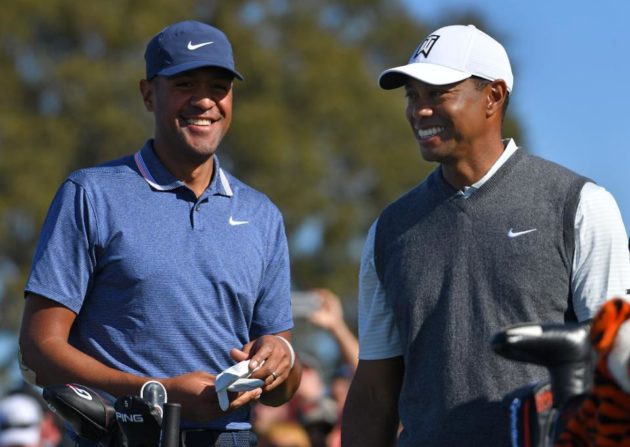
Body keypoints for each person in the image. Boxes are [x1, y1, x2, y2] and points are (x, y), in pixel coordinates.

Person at [341, 24, 630, 446]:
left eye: (437, 94)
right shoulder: (389, 229)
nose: (420, 110)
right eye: (413, 96)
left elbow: (616, 362)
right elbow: (373, 391)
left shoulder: (580, 204)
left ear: (493, 96)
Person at [19, 20, 301, 446]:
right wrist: (158, 393)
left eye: (219, 87)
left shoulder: (262, 215)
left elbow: (283, 389)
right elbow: (38, 349)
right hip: (123, 436)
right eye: (185, 84)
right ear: (148, 94)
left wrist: (283, 361)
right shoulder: (91, 194)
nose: (204, 101)